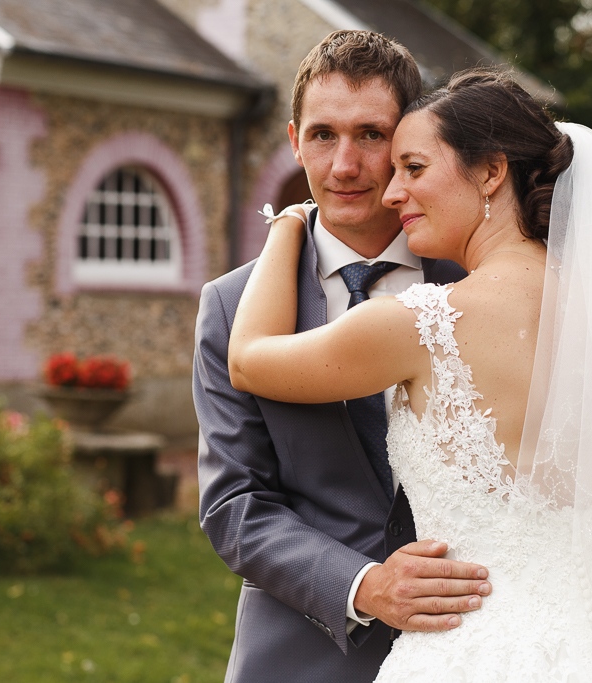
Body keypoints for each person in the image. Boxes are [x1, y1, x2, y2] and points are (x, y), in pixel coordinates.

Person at [228, 66, 592, 682]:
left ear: (491, 172)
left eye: (412, 168)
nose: (390, 191)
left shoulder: (419, 323)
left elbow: (249, 360)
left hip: (479, 655)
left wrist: (286, 225)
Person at [193, 31, 490, 683]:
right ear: (296, 140)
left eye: (370, 135)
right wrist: (365, 584)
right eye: (324, 135)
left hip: (476, 642)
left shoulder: (480, 284)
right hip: (301, 658)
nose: (344, 165)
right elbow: (234, 503)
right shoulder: (229, 306)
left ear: (410, 141)